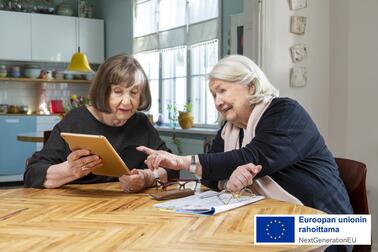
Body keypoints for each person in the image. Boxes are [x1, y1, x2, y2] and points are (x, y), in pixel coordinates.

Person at [138, 54, 353, 216]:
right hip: (276, 215)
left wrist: (181, 161)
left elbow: (253, 158)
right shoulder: (230, 129)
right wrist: (227, 182)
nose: (217, 102)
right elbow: (211, 176)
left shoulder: (286, 112)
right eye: (214, 95)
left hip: (329, 224)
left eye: (222, 90)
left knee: (234, 240)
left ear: (250, 87)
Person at [24, 54, 178, 191]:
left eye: (134, 92)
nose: (127, 101)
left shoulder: (141, 123)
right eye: (118, 91)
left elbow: (171, 167)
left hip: (128, 211)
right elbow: (33, 174)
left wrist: (147, 178)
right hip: (77, 212)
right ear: (103, 91)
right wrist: (70, 170)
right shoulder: (76, 121)